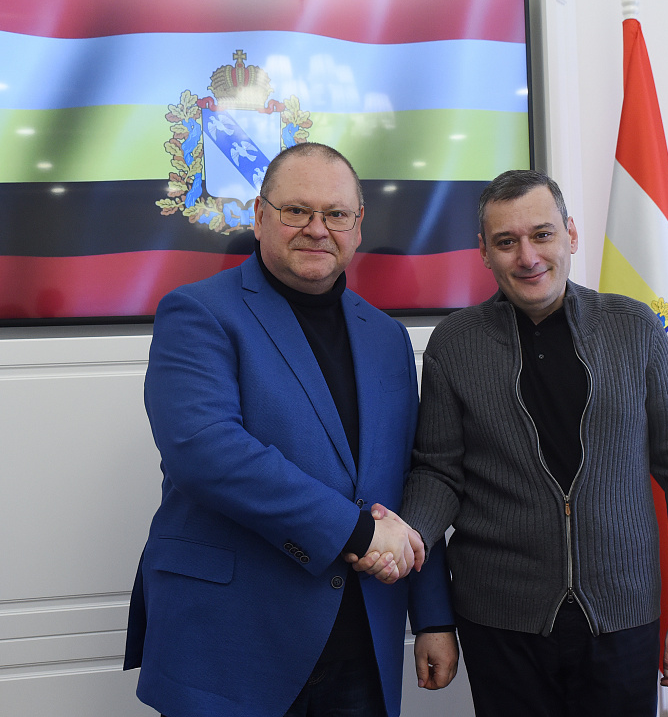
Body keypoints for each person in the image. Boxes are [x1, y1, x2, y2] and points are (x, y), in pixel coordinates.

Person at [356, 169, 668, 716]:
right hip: (500, 620)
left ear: (570, 234)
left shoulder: (634, 328)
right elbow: (439, 473)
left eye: (542, 234)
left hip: (622, 616)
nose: (527, 257)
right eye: (506, 242)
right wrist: (408, 536)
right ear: (484, 252)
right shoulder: (455, 344)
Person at [124, 142, 458, 717]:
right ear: (259, 216)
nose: (317, 229)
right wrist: (357, 533)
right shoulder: (197, 314)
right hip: (232, 645)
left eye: (335, 214)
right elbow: (206, 452)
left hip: (361, 644)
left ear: (358, 226)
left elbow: (408, 478)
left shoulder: (387, 338)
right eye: (296, 210)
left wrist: (432, 616)